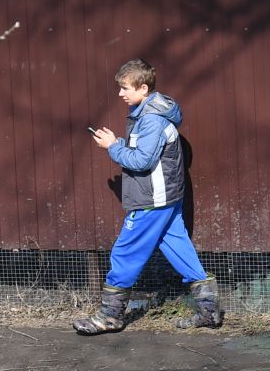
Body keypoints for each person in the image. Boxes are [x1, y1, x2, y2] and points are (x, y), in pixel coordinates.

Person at [75, 59, 223, 335]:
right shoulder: (149, 113)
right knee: (178, 248)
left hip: (152, 200)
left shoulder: (152, 119)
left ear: (143, 88)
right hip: (165, 198)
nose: (120, 94)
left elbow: (142, 161)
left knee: (125, 251)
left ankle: (110, 316)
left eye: (125, 88)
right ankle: (209, 311)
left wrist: (112, 147)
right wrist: (118, 143)